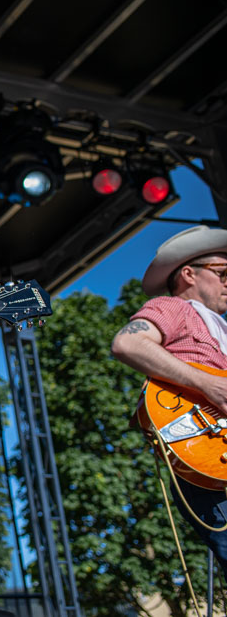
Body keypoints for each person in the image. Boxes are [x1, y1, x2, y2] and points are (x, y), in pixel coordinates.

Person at [111, 225, 227, 577]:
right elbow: (128, 344)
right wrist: (211, 386)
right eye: (222, 273)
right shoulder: (175, 307)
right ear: (189, 274)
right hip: (209, 454)